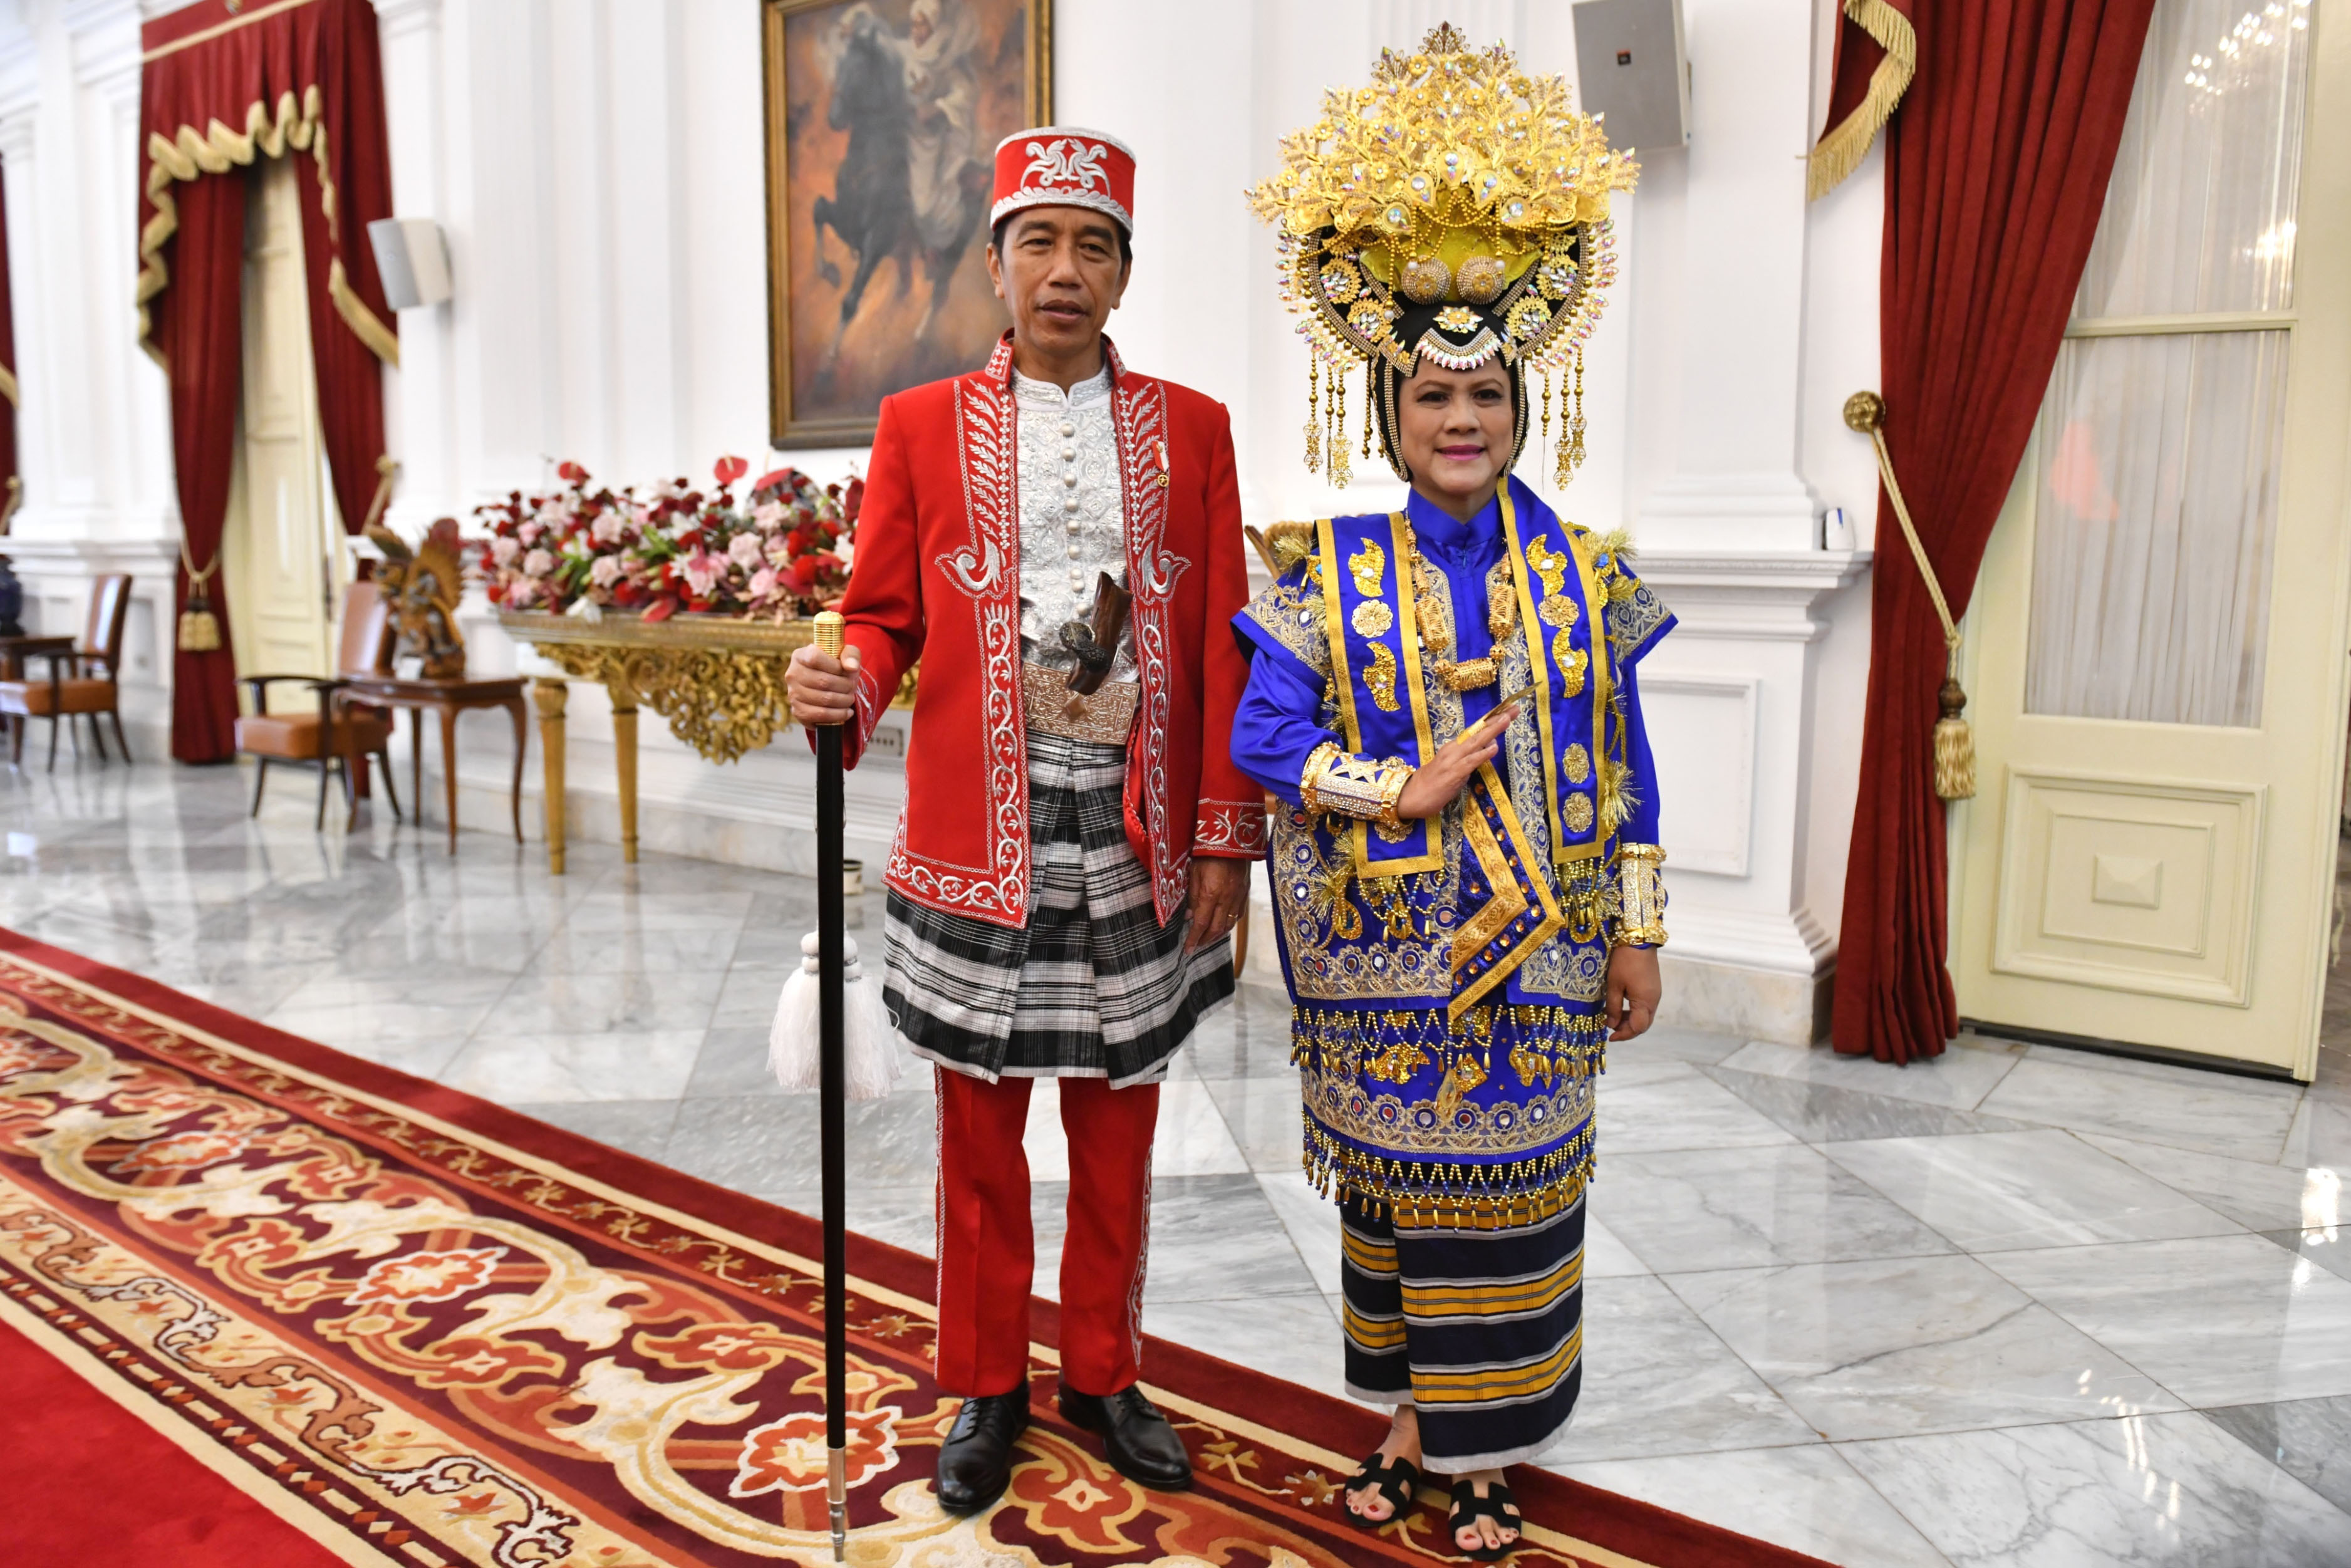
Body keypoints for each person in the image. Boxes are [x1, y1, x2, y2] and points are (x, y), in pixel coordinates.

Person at [785, 126, 1262, 1515]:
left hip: (1139, 827)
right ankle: (985, 1380)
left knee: (1123, 1122)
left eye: (1093, 246)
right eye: (1037, 243)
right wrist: (841, 682)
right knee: (979, 1135)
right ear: (993, 265)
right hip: (975, 835)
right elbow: (880, 618)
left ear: (1122, 276)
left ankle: (1105, 1371)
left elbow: (1226, 642)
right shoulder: (918, 426)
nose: (1064, 270)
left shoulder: (1194, 430)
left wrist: (1227, 836)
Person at [1233, 27, 1661, 1560]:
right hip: (1382, 941)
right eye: (1431, 397)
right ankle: (1407, 1421)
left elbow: (1630, 756)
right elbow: (1261, 737)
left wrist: (1641, 930)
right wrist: (1395, 784)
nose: (1460, 419)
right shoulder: (1318, 566)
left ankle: (1491, 1450)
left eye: (1484, 393)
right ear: (1389, 413)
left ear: (1518, 406)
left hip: (1545, 939)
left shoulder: (1588, 573)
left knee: (1517, 1196)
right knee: (1397, 1198)